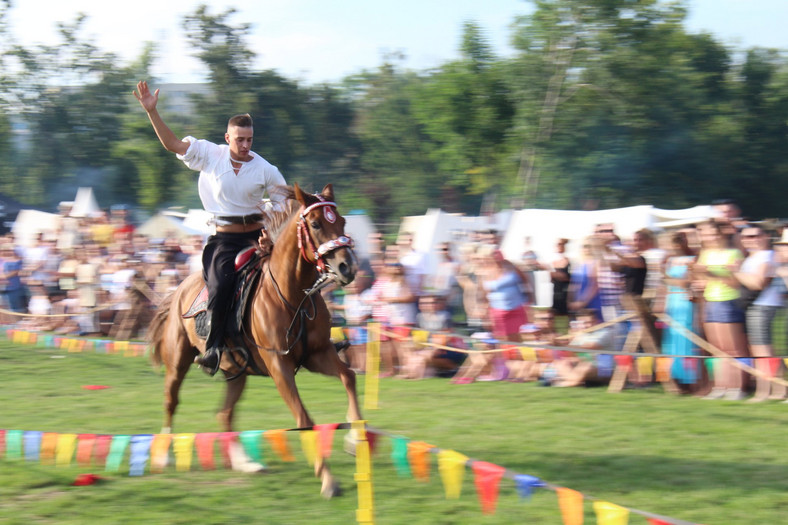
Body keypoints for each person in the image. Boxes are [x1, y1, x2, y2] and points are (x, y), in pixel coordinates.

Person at [134, 80, 286, 375]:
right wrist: (152, 112)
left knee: (292, 274)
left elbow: (282, 205)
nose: (245, 145)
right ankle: (215, 347)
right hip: (224, 242)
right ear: (227, 136)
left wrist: (271, 234)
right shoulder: (209, 154)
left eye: (249, 140)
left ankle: (310, 338)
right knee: (220, 284)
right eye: (239, 139)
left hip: (257, 239)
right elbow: (172, 145)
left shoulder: (266, 169)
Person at [693, 221, 747, 400]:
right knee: (717, 349)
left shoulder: (734, 253)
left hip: (728, 301)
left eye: (713, 234)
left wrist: (709, 273)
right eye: (706, 235)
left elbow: (734, 282)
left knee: (733, 349)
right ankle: (720, 386)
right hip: (711, 300)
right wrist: (702, 278)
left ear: (721, 234)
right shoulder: (705, 253)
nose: (710, 238)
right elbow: (701, 276)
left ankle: (736, 388)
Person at [735, 225, 786, 401]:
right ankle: (778, 390)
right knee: (763, 352)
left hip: (764, 306)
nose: (750, 240)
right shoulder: (753, 257)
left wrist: (736, 272)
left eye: (755, 235)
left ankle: (765, 392)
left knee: (764, 353)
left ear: (766, 236)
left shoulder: (767, 256)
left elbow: (757, 283)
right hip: (756, 307)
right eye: (746, 237)